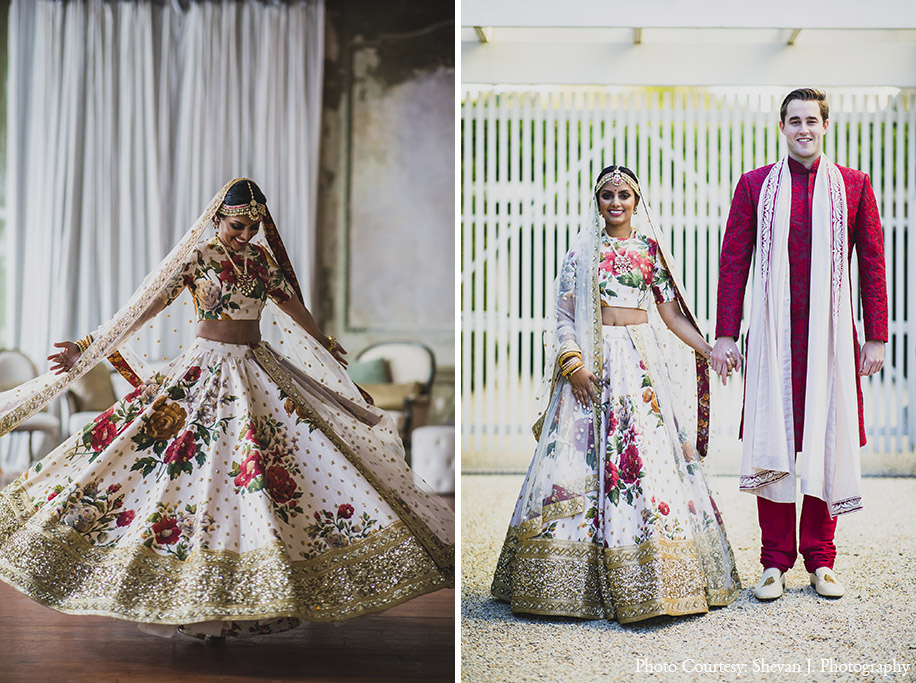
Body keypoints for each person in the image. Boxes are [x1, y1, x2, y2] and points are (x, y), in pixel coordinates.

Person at [0, 178, 454, 638]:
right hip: (207, 370)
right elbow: (146, 307)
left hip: (258, 367)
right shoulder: (198, 258)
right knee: (184, 469)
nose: (246, 235)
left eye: (253, 227)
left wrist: (322, 342)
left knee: (277, 468)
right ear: (217, 218)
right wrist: (89, 347)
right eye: (239, 225)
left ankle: (261, 586)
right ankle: (188, 588)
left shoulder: (260, 260)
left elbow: (290, 303)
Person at [491, 165, 740, 623]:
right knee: (578, 460)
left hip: (640, 368)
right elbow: (563, 317)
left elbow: (670, 315)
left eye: (624, 194)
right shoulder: (582, 252)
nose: (616, 203)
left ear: (637, 200)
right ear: (597, 201)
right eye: (607, 195)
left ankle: (658, 577)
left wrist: (709, 349)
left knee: (648, 459)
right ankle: (564, 583)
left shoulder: (650, 251)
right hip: (592, 364)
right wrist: (574, 366)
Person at [712, 88, 887, 601]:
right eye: (794, 121)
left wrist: (874, 335)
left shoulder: (854, 187)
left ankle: (821, 560)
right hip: (773, 338)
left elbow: (873, 263)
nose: (804, 128)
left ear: (826, 126)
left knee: (824, 441)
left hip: (830, 340)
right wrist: (725, 333)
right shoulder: (754, 186)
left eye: (812, 120)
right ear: (782, 128)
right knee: (774, 441)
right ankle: (773, 563)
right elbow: (733, 262)